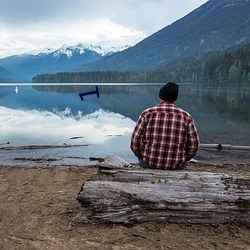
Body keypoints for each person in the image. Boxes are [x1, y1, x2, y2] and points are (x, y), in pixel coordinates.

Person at [130, 82, 200, 170]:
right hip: (176, 165)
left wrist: (141, 156)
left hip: (149, 162)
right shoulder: (186, 116)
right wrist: (184, 158)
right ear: (175, 98)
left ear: (160, 96)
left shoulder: (147, 114)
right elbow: (194, 145)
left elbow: (135, 142)